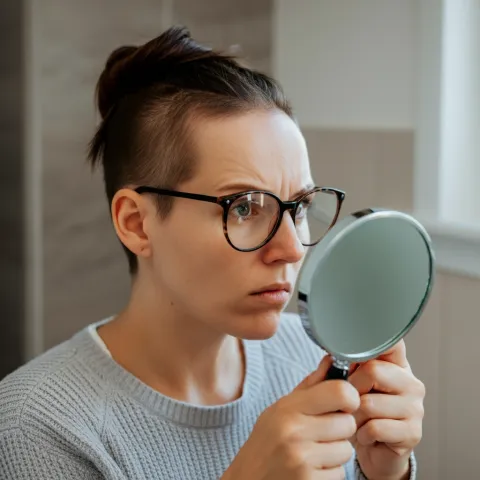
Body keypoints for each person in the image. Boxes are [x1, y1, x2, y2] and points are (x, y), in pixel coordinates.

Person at [0, 26, 424, 479]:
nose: (289, 248)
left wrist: (384, 473)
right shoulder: (35, 427)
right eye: (243, 207)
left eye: (298, 207)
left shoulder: (314, 357)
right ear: (136, 223)